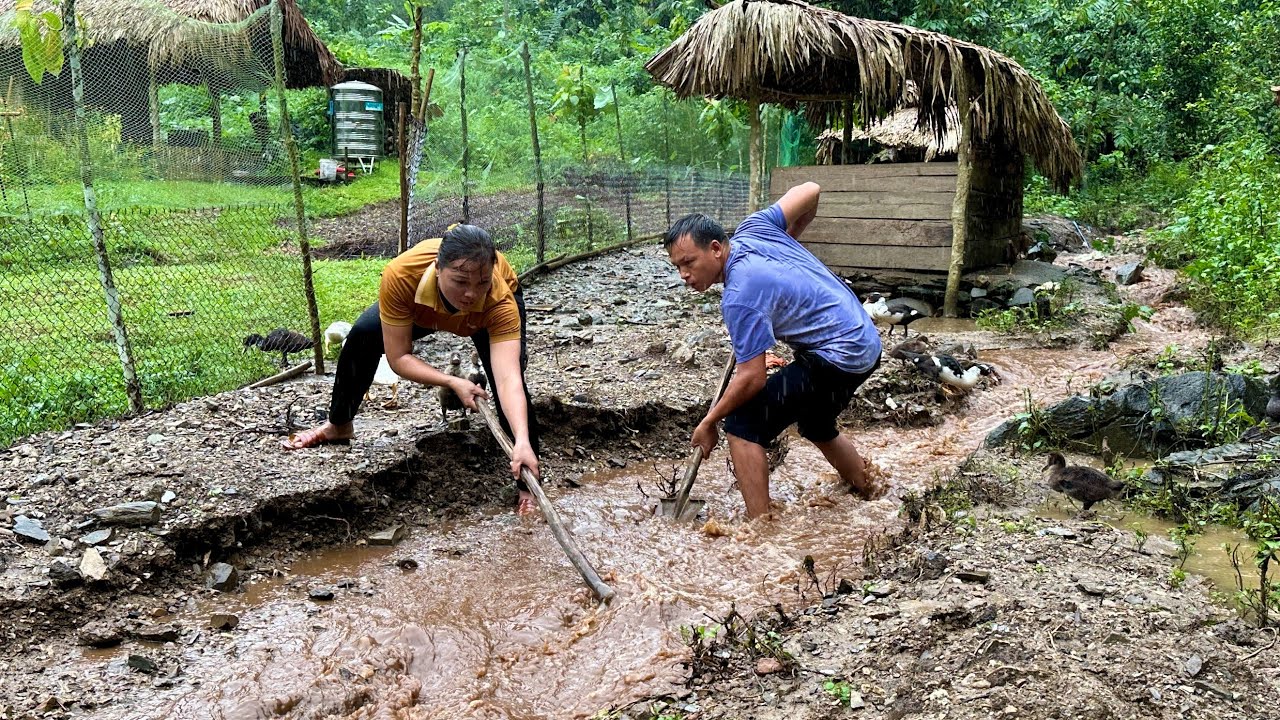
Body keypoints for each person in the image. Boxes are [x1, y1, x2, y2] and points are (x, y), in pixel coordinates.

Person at [284, 225, 542, 514]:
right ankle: (339, 425)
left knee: (509, 379)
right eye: (459, 281)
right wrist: (452, 382)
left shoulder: (498, 298)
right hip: (423, 307)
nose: (470, 294)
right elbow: (398, 357)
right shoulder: (402, 275)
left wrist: (521, 440)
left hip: (485, 318)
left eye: (481, 282)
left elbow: (509, 381)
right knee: (362, 336)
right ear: (437, 268)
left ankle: (528, 483)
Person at [664, 182, 883, 518]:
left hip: (838, 355)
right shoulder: (756, 228)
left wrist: (710, 421)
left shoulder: (739, 297)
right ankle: (872, 489)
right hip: (865, 340)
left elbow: (752, 378)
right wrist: (789, 239)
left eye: (689, 262)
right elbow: (811, 190)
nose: (684, 274)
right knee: (815, 422)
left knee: (742, 425)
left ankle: (760, 528)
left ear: (716, 249)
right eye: (677, 266)